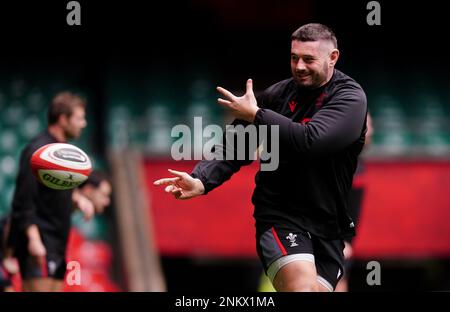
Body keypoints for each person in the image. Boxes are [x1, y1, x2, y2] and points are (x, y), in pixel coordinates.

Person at [154, 23, 368, 292]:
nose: (299, 66)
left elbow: (311, 140)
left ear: (333, 57)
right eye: (294, 57)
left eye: (308, 59)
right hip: (281, 215)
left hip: (329, 228)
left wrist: (256, 115)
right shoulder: (276, 96)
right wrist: (201, 180)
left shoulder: (350, 98)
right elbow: (235, 147)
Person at [7, 91, 95, 292]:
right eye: (79, 118)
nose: (84, 124)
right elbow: (23, 200)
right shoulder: (38, 152)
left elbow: (55, 190)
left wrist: (79, 198)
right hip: (40, 242)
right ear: (63, 119)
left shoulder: (63, 153)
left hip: (57, 242)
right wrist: (34, 240)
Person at [335, 113, 373, 292]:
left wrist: (347, 242)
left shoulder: (356, 164)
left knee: (340, 279)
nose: (370, 131)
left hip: (340, 242)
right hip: (321, 237)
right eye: (366, 126)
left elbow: (353, 209)